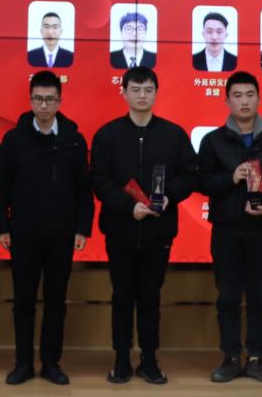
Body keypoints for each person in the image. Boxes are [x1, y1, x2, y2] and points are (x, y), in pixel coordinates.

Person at [90, 65, 198, 385]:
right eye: (135, 90)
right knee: (122, 297)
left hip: (158, 232)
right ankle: (121, 360)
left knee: (150, 297)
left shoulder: (173, 134)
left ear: (156, 93)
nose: (141, 95)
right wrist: (128, 207)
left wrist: (169, 196)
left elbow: (190, 174)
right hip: (120, 231)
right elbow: (99, 180)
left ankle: (149, 360)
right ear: (124, 92)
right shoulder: (107, 135)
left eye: (148, 90)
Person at [0, 71, 93, 386]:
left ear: (60, 101)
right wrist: (1, 226)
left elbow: (84, 190)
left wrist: (82, 228)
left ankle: (51, 363)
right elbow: (1, 188)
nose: (44, 105)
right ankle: (23, 363)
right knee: (23, 301)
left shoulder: (74, 140)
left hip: (62, 233)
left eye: (50, 99)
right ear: (30, 100)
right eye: (38, 99)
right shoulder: (14, 139)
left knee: (56, 301)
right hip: (23, 232)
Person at [198, 72, 262, 385]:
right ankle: (230, 357)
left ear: (259, 99)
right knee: (227, 296)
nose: (244, 101)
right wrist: (230, 178)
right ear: (227, 100)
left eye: (250, 95)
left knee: (259, 297)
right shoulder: (213, 141)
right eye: (237, 95)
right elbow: (201, 181)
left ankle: (256, 357)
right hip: (226, 229)